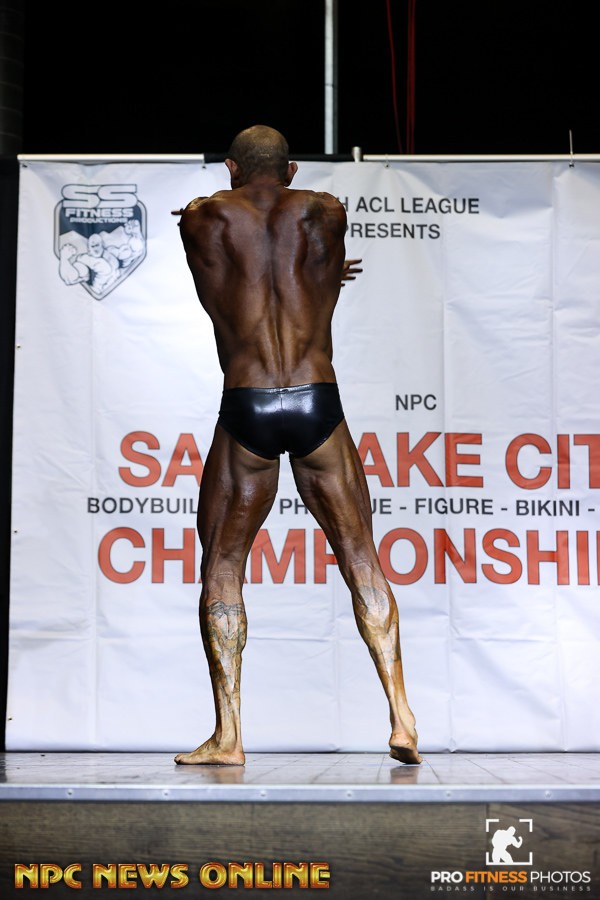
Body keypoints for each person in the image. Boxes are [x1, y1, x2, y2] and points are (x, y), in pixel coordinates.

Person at [173, 124, 421, 766]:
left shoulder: (203, 217)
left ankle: (229, 737)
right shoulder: (325, 211)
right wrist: (327, 272)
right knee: (361, 556)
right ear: (291, 170)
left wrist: (207, 208)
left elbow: (226, 277)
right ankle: (402, 716)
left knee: (223, 565)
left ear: (230, 168)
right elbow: (314, 277)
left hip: (248, 401)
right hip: (317, 400)